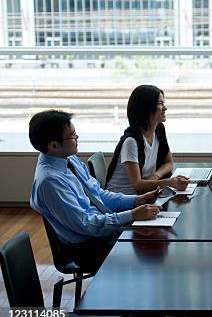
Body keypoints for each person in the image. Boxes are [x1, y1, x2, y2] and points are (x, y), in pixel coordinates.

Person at [29, 110, 161, 272]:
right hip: (88, 247)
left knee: (156, 239)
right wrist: (132, 214)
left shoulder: (68, 159)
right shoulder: (50, 181)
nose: (77, 138)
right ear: (54, 146)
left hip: (102, 232)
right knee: (152, 253)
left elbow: (99, 195)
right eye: (72, 135)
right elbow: (87, 224)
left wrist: (135, 200)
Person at [106, 85, 189, 194]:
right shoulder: (131, 142)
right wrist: (169, 182)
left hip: (143, 194)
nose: (165, 108)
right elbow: (138, 185)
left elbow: (168, 163)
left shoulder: (159, 129)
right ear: (146, 108)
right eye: (160, 104)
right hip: (123, 199)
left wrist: (156, 175)